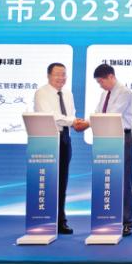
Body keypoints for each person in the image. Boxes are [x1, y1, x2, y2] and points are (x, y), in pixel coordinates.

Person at [74, 64, 132, 236]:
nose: (100, 85)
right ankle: (109, 218)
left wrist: (86, 124)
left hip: (121, 137)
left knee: (123, 180)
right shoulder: (104, 94)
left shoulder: (124, 92)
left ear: (110, 77)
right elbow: (97, 113)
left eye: (101, 81)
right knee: (108, 179)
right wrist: (85, 122)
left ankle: (127, 221)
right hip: (105, 138)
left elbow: (111, 115)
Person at [32, 62, 85, 235]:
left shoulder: (68, 93)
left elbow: (71, 115)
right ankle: (44, 219)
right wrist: (73, 121)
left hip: (64, 138)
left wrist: (75, 122)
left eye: (64, 74)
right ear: (49, 76)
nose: (61, 78)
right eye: (57, 74)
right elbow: (51, 116)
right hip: (47, 139)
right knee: (47, 181)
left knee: (62, 181)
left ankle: (60, 221)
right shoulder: (41, 93)